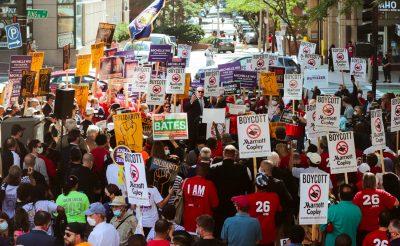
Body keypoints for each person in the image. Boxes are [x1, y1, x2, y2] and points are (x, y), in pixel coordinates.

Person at [210, 145, 252, 235]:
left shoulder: (214, 169)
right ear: (235, 155)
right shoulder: (243, 169)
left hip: (219, 208)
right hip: (236, 208)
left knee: (219, 233)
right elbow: (249, 189)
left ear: (223, 154)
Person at [353, 172, 399, 242]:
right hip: (380, 230)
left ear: (363, 182)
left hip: (364, 230)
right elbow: (396, 203)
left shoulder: (358, 195)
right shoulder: (382, 193)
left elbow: (354, 210)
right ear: (375, 182)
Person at [247, 172, 282, 246]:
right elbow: (279, 210)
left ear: (256, 184)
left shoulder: (249, 198)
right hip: (269, 233)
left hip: (254, 234)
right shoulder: (274, 196)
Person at [182, 164, 219, 232]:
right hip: (204, 224)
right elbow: (215, 204)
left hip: (188, 220)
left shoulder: (186, 182)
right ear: (206, 172)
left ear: (196, 171)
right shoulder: (209, 184)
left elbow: (182, 200)